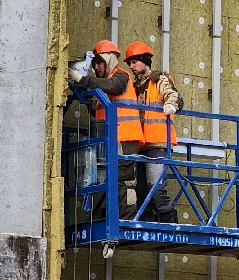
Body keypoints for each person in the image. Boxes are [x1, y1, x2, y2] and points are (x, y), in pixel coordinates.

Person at [74, 39, 144, 218]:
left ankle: (126, 217)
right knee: (110, 179)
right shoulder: (102, 87)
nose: (97, 67)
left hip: (125, 138)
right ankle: (116, 214)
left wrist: (85, 80)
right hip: (109, 140)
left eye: (99, 63)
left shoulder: (121, 77)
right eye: (94, 64)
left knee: (124, 181)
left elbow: (114, 87)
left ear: (109, 60)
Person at [124, 40, 182, 224]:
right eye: (129, 63)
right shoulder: (133, 86)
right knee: (141, 189)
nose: (131, 66)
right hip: (140, 144)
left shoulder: (159, 80)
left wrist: (171, 105)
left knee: (155, 188)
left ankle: (169, 221)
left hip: (157, 143)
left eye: (134, 62)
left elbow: (173, 95)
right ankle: (148, 222)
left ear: (144, 61)